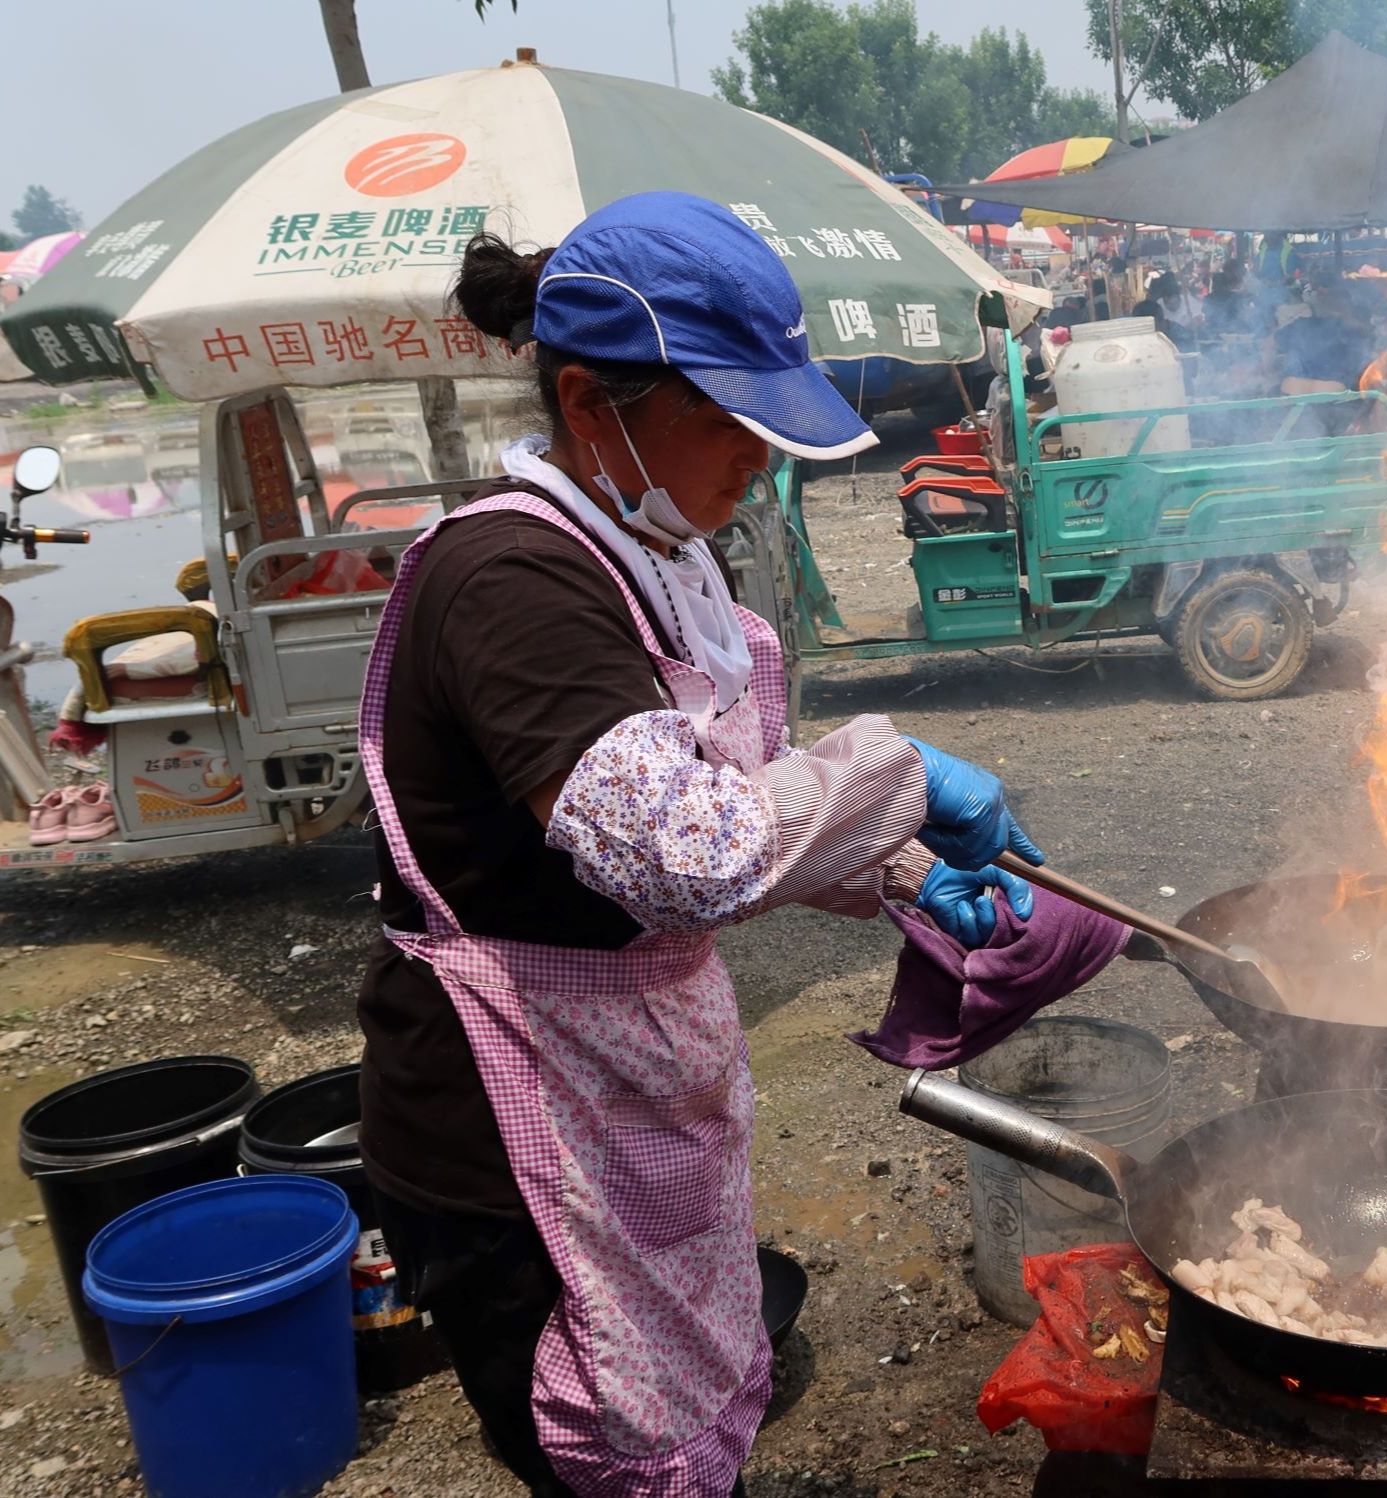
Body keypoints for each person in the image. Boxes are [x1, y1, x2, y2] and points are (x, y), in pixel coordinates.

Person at [358, 192, 1044, 1498]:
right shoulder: (512, 579)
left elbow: (719, 785)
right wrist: (897, 771)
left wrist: (894, 866)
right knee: (612, 1444)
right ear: (587, 401)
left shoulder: (652, 555)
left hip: (630, 1080)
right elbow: (683, 847)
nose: (757, 456)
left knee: (689, 1400)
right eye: (725, 417)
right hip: (514, 1138)